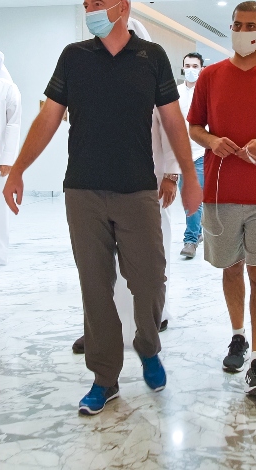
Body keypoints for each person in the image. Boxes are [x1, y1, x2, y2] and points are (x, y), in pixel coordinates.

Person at [3, 0, 201, 416]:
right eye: (86, 3)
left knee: (149, 278)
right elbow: (49, 117)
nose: (89, 9)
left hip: (137, 189)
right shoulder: (75, 57)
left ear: (122, 8)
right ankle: (105, 378)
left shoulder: (151, 57)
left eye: (97, 2)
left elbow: (172, 121)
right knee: (95, 288)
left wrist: (187, 175)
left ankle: (148, 344)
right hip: (84, 190)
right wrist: (17, 169)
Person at [187, 0, 256, 398]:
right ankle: (237, 337)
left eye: (250, 25)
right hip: (221, 192)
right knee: (231, 269)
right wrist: (213, 140)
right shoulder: (211, 77)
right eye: (236, 24)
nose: (242, 30)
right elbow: (194, 125)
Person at [71, 18, 178, 355]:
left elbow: (172, 128)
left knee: (147, 266)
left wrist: (172, 175)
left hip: (147, 184)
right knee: (99, 269)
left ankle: (148, 324)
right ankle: (102, 331)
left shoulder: (150, 70)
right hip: (97, 185)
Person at [178, 52, 205, 259]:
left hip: (200, 153)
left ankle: (190, 240)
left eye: (195, 66)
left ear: (201, 68)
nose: (191, 69)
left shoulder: (206, 93)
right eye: (187, 65)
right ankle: (198, 231)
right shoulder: (175, 93)